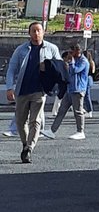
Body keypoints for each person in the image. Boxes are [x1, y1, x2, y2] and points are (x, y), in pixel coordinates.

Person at [4, 21, 63, 164]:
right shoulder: (21, 49)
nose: (36, 34)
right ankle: (25, 144)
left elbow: (60, 68)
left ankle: (29, 149)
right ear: (29, 33)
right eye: (33, 31)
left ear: (43, 32)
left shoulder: (51, 48)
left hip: (39, 91)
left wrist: (48, 68)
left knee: (35, 121)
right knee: (20, 121)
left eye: (39, 30)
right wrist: (9, 87)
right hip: (22, 90)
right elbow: (12, 69)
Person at [48, 42, 90, 140]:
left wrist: (71, 62)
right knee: (61, 111)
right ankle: (52, 131)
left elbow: (75, 70)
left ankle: (80, 131)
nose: (70, 54)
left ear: (78, 51)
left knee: (78, 111)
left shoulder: (83, 61)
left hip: (78, 89)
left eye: (72, 52)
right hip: (70, 89)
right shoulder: (75, 60)